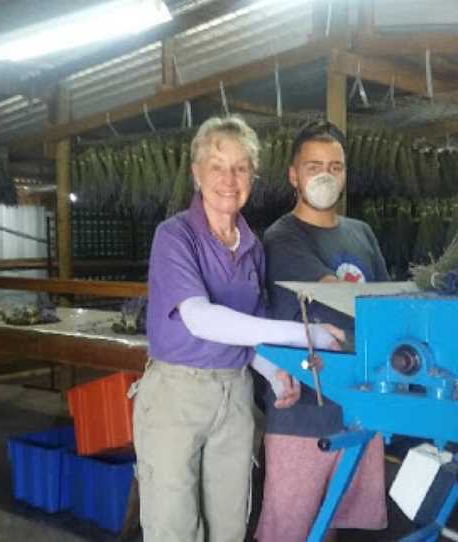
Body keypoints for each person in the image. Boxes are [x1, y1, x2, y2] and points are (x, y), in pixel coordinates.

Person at [133, 115, 344, 542]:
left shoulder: (251, 244)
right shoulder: (174, 236)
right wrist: (304, 337)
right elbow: (200, 318)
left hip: (235, 396)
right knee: (173, 526)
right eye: (217, 166)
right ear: (196, 173)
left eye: (241, 168)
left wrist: (272, 369)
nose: (229, 179)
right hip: (177, 395)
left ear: (253, 177)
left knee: (230, 523)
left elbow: (249, 336)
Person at [255, 120, 390, 542]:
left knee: (332, 522)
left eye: (336, 166)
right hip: (301, 408)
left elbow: (384, 306)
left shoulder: (361, 233)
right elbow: (339, 296)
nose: (325, 175)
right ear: (294, 175)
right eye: (314, 166)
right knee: (291, 531)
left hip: (356, 406)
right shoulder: (282, 236)